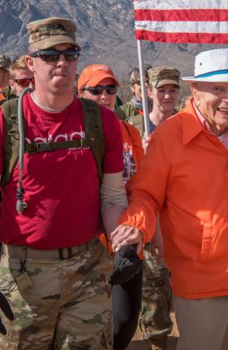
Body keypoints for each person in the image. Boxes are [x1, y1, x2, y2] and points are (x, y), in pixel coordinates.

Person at [0, 17, 128, 350]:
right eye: (51, 55)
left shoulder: (103, 121)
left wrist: (122, 246)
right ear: (31, 62)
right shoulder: (1, 123)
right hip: (25, 272)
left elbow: (112, 198)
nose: (62, 63)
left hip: (89, 271)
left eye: (70, 54)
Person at [112, 48, 228, 350]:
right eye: (218, 89)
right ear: (196, 90)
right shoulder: (169, 137)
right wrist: (136, 227)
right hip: (205, 285)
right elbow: (146, 194)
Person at [77, 63, 145, 350]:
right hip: (84, 245)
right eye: (95, 90)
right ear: (80, 93)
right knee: (84, 323)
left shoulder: (130, 132)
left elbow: (141, 189)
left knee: (126, 319)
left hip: (125, 240)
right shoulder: (70, 135)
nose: (104, 96)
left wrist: (137, 229)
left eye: (110, 89)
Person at [125, 67, 180, 349]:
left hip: (181, 218)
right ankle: (157, 339)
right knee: (154, 287)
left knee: (178, 285)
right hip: (148, 216)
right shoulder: (134, 127)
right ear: (149, 92)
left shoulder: (186, 125)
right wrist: (141, 154)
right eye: (162, 90)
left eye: (173, 90)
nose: (167, 96)